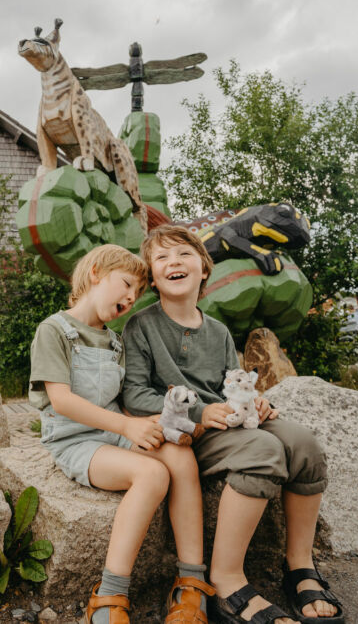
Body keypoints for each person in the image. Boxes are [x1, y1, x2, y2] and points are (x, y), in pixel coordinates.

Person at [122, 225, 345, 624]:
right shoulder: (142, 327)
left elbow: (232, 387)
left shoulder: (219, 330)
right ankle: (226, 580)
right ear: (152, 278)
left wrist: (253, 401)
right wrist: (197, 414)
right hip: (187, 434)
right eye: (162, 258)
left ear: (203, 268)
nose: (174, 262)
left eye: (184, 254)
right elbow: (135, 395)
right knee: (264, 450)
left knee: (305, 445)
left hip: (228, 422)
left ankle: (298, 565)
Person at [30, 244, 213, 624]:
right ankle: (110, 593)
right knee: (152, 473)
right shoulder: (54, 330)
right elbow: (61, 401)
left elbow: (123, 400)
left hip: (112, 430)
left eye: (136, 295)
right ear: (96, 272)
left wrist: (162, 426)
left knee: (179, 455)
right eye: (126, 285)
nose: (130, 298)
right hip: (75, 440)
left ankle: (191, 584)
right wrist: (128, 427)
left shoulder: (114, 340)